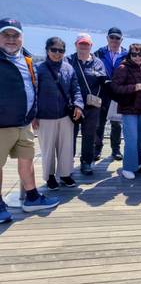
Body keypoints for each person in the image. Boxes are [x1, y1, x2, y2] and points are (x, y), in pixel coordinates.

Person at [0, 18, 60, 222]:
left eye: (15, 35)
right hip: (2, 125)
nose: (11, 39)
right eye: (6, 35)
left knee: (27, 160)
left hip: (24, 123)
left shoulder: (27, 59)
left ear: (21, 37)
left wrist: (33, 112)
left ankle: (32, 198)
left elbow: (31, 88)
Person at [34, 37, 84, 189]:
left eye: (60, 50)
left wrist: (78, 105)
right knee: (48, 148)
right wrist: (33, 115)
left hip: (65, 116)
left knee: (66, 147)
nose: (57, 53)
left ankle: (65, 174)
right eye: (53, 50)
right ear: (47, 50)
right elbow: (33, 93)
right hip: (45, 116)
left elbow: (76, 89)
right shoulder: (38, 68)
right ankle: (49, 176)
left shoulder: (69, 68)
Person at [68, 33, 107, 175]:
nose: (84, 47)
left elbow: (104, 82)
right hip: (73, 106)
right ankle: (68, 162)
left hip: (92, 106)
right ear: (76, 45)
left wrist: (99, 99)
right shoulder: (69, 60)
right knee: (70, 135)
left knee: (89, 135)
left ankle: (86, 162)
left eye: (87, 44)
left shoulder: (98, 62)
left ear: (91, 46)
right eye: (81, 44)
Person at [111, 44, 141, 179]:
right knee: (131, 139)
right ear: (129, 55)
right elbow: (114, 87)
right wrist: (133, 87)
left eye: (140, 54)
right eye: (134, 54)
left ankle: (137, 164)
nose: (138, 57)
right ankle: (128, 167)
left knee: (140, 139)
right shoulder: (123, 68)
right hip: (128, 109)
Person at [94, 27, 127, 161]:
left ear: (121, 40)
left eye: (117, 38)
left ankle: (116, 149)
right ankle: (97, 149)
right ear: (107, 38)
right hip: (102, 93)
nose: (114, 40)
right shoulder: (99, 53)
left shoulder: (127, 54)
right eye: (112, 37)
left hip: (118, 94)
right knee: (99, 122)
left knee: (116, 123)